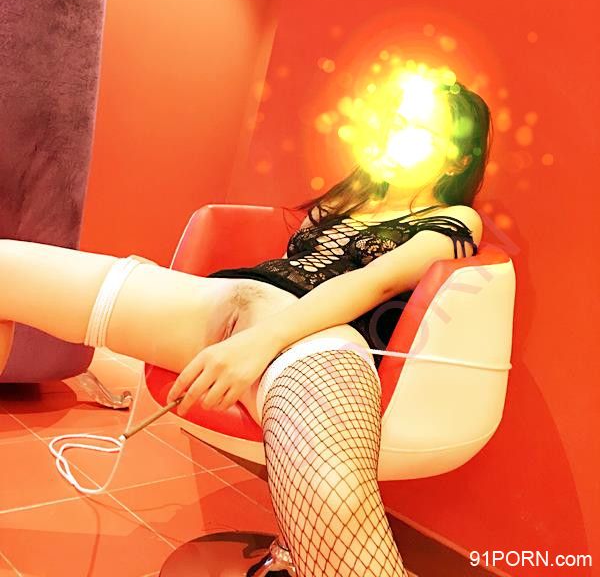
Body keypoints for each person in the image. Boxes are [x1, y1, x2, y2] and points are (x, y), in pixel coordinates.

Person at [0, 76, 491, 577]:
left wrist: (258, 343)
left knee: (333, 500)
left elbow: (373, 283)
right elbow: (287, 266)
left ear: (457, 160)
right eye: (398, 121)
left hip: (314, 341)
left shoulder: (455, 218)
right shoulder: (351, 197)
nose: (398, 135)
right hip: (218, 303)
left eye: (422, 131)